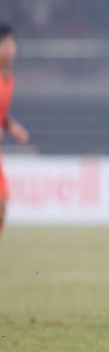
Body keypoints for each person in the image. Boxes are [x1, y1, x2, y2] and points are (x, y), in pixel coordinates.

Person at [0, 23, 29, 238]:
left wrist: (11, 127)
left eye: (13, 44)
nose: (11, 49)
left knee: (2, 204)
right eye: (6, 44)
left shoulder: (9, 80)